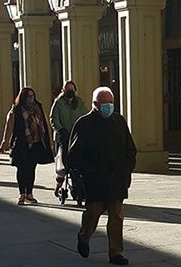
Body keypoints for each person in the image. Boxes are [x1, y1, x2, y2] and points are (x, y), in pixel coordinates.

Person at [68, 86, 136, 266]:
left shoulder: (119, 121)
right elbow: (74, 155)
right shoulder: (84, 124)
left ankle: (116, 252)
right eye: (104, 103)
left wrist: (126, 169)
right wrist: (88, 171)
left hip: (117, 179)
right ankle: (84, 237)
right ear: (95, 104)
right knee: (93, 213)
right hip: (95, 180)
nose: (108, 106)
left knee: (116, 215)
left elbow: (130, 149)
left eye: (110, 102)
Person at [0, 87, 54, 204]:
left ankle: (29, 193)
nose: (31, 98)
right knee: (22, 168)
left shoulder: (38, 107)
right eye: (28, 96)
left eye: (32, 95)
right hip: (21, 143)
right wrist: (5, 142)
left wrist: (49, 141)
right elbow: (10, 127)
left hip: (36, 143)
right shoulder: (17, 110)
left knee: (31, 168)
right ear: (23, 97)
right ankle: (22, 194)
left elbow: (45, 124)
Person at [50, 80, 87, 197]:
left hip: (76, 138)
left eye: (72, 89)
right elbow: (53, 119)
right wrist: (61, 130)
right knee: (62, 166)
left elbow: (84, 117)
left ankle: (80, 186)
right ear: (63, 91)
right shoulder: (58, 103)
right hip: (63, 138)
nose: (70, 91)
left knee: (78, 164)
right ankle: (58, 186)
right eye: (67, 89)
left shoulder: (79, 103)